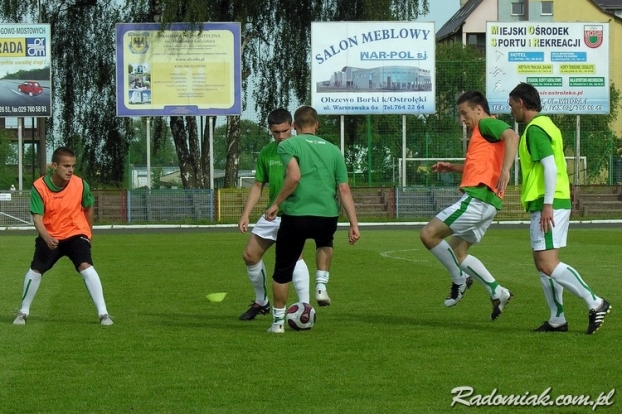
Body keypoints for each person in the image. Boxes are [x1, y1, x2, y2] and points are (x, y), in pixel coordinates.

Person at [508, 82, 611, 334]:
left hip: (549, 202)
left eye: (512, 106)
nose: (511, 111)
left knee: (547, 263)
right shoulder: (545, 125)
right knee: (541, 262)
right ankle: (557, 319)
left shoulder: (536, 129)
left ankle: (596, 302)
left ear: (521, 103)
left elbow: (550, 167)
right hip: (547, 201)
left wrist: (547, 204)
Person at [420, 90, 519, 320]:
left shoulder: (486, 124)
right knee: (457, 251)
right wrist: (452, 167)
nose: (461, 119)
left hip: (478, 199)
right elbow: (481, 166)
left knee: (428, 234)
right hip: (488, 202)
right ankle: (497, 292)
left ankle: (460, 280)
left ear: (478, 109)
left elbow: (512, 137)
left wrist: (506, 169)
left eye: (464, 113)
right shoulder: (481, 133)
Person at [264, 105, 360, 333]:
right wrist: (354, 224)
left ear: (294, 126)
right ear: (317, 124)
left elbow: (294, 176)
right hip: (327, 214)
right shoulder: (334, 150)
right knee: (325, 242)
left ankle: (278, 323)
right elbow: (344, 189)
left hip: (297, 214)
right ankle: (321, 285)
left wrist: (276, 203)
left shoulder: (288, 145)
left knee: (283, 270)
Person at [13, 147, 113, 326]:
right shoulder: (39, 187)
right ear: (54, 166)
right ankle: (23, 312)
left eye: (73, 166)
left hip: (76, 232)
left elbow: (88, 207)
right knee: (36, 269)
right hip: (50, 235)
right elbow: (37, 217)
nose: (70, 170)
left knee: (85, 265)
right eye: (66, 166)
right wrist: (46, 237)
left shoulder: (81, 184)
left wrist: (88, 233)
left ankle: (104, 314)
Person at [237, 108, 310, 321]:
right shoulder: (268, 153)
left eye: (285, 131)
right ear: (270, 130)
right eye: (275, 132)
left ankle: (305, 307)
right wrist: (245, 214)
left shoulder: (302, 149)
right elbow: (258, 185)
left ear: (293, 127)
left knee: (294, 256)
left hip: (296, 212)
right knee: (250, 255)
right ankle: (262, 302)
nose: (280, 136)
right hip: (272, 213)